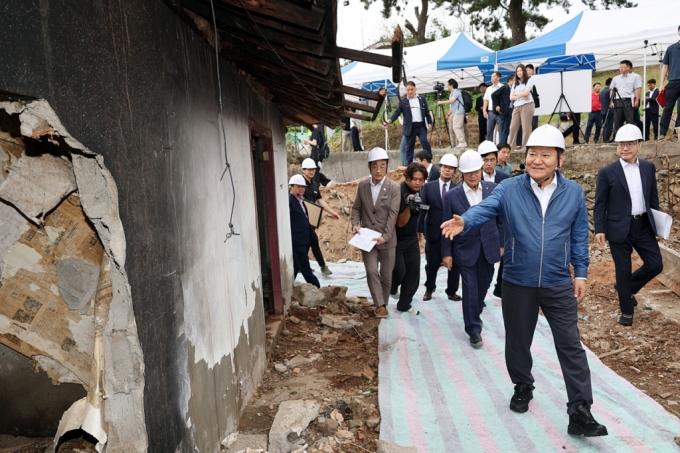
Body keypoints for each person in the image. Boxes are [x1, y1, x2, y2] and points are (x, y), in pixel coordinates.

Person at [441, 125, 608, 437]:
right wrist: (465, 221)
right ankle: (523, 385)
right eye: (532, 154)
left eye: (546, 154)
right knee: (518, 341)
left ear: (560, 158)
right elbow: (486, 209)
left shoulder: (571, 192)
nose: (537, 160)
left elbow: (578, 237)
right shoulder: (510, 188)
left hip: (558, 281)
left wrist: (581, 271)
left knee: (570, 344)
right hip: (518, 278)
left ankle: (580, 410)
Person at [594, 124, 663, 326]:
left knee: (655, 264)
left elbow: (653, 198)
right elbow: (600, 203)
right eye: (621, 144)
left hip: (643, 226)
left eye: (630, 144)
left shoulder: (648, 168)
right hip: (618, 228)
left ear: (637, 145)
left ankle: (627, 287)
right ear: (617, 146)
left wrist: (657, 223)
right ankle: (626, 311)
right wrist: (599, 229)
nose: (625, 148)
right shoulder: (607, 172)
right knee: (622, 269)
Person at [442, 150, 502, 349]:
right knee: (469, 289)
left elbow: (501, 220)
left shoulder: (493, 189)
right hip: (465, 250)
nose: (473, 175)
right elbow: (446, 225)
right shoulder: (452, 196)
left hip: (489, 249)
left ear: (481, 169)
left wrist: (501, 243)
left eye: (476, 171)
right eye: (469, 173)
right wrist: (447, 253)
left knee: (483, 286)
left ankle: (474, 313)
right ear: (462, 174)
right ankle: (473, 330)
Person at [351, 148, 401, 318]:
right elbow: (356, 208)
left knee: (387, 276)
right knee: (372, 271)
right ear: (369, 167)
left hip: (387, 239)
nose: (378, 170)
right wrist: (355, 224)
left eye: (382, 166)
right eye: (375, 166)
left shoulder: (394, 188)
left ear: (387, 167)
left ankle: (383, 302)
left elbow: (393, 214)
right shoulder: (363, 186)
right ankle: (380, 305)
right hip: (366, 237)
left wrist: (385, 237)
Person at [417, 153, 462, 302]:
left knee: (454, 264)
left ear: (454, 171)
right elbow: (423, 207)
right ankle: (429, 289)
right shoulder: (429, 187)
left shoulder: (458, 189)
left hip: (452, 233)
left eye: (451, 168)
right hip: (433, 231)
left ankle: (451, 291)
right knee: (432, 263)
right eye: (445, 167)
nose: (447, 170)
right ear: (440, 168)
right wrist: (420, 229)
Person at [390, 162, 427, 314]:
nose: (417, 182)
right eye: (414, 179)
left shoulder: (422, 190)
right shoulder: (399, 192)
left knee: (413, 273)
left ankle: (404, 304)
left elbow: (423, 212)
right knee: (399, 271)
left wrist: (419, 229)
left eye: (421, 179)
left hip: (412, 238)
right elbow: (399, 223)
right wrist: (408, 208)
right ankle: (391, 288)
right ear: (407, 178)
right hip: (396, 239)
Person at [478, 141, 510, 298]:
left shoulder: (504, 179)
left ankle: (500, 287)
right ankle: (479, 295)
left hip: (501, 223)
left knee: (503, 257)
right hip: (482, 225)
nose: (489, 163)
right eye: (485, 160)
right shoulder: (474, 178)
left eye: (492, 160)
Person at [300, 158, 341, 276]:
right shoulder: (300, 184)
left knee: (306, 244)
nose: (311, 172)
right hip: (301, 220)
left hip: (311, 219)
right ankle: (323, 266)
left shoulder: (315, 185)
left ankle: (303, 266)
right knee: (314, 241)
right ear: (303, 170)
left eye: (313, 169)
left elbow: (320, 201)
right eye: (309, 170)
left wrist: (332, 212)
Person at [385, 81, 433, 164]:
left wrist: (430, 122)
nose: (410, 91)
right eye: (408, 90)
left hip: (420, 125)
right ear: (406, 91)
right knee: (409, 147)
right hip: (410, 127)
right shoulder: (403, 101)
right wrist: (390, 120)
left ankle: (429, 159)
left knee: (424, 141)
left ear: (415, 89)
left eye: (412, 89)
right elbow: (397, 112)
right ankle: (408, 165)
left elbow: (426, 112)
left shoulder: (422, 99)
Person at [289, 175, 320, 288]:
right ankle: (316, 286)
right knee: (305, 266)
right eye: (299, 186)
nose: (302, 189)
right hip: (297, 240)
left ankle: (290, 286)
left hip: (304, 239)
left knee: (297, 265)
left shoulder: (301, 200)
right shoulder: (290, 200)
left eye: (303, 187)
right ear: (291, 187)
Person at [508, 64, 536, 152]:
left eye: (520, 70)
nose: (519, 73)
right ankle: (511, 148)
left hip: (527, 105)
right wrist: (521, 95)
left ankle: (524, 148)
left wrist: (518, 94)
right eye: (517, 71)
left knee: (525, 127)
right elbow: (511, 97)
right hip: (516, 106)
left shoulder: (529, 80)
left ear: (523, 71)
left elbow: (526, 93)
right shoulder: (515, 83)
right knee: (513, 127)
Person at [659, 25, 680, 140]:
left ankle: (678, 132)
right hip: (673, 82)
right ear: (678, 32)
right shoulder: (671, 48)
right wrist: (662, 84)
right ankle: (662, 133)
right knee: (668, 108)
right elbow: (665, 66)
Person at [610, 60, 642, 132]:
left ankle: (630, 137)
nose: (621, 68)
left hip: (628, 100)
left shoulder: (634, 77)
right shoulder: (615, 78)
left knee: (630, 120)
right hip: (617, 100)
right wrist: (611, 101)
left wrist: (637, 100)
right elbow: (612, 90)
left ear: (628, 67)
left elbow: (637, 89)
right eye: (620, 67)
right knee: (617, 120)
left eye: (623, 67)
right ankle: (618, 138)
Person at [437, 79, 467, 148]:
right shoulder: (451, 93)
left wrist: (441, 102)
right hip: (454, 113)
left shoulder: (456, 91)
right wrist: (448, 114)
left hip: (459, 112)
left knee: (456, 127)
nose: (447, 86)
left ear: (451, 85)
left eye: (448, 85)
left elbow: (451, 101)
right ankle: (453, 144)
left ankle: (462, 142)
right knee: (452, 129)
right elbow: (452, 106)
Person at [491, 74, 514, 144]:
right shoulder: (505, 87)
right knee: (505, 128)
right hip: (505, 110)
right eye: (515, 80)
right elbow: (493, 95)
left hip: (511, 109)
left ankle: (504, 143)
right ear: (510, 80)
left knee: (507, 128)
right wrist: (497, 105)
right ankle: (503, 144)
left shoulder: (514, 89)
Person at [483, 71, 504, 142]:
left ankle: (501, 146)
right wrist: (484, 111)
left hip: (500, 112)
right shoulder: (488, 89)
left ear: (498, 78)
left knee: (501, 130)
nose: (492, 78)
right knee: (489, 131)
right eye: (491, 77)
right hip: (491, 111)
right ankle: (489, 146)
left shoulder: (502, 87)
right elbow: (486, 100)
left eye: (494, 76)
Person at [525, 64, 539, 131]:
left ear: (533, 71)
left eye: (529, 70)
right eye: (526, 70)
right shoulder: (524, 82)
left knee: (534, 124)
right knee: (527, 124)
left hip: (535, 105)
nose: (528, 71)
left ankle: (534, 139)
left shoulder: (536, 81)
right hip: (526, 105)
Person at [601, 78, 614, 143]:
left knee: (605, 125)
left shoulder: (602, 91)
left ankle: (605, 138)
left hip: (603, 110)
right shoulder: (610, 91)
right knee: (609, 125)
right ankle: (606, 139)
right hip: (609, 111)